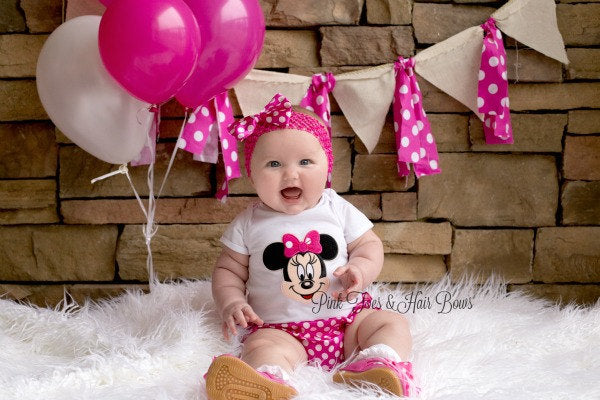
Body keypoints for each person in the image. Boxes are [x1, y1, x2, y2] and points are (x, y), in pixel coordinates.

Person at [204, 94, 416, 399]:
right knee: (262, 347)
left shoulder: (336, 208)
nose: (291, 173)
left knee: (390, 322)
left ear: (326, 166)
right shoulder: (248, 222)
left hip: (348, 321)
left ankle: (378, 363)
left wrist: (360, 269)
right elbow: (227, 270)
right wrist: (231, 303)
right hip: (279, 329)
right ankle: (267, 380)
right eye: (274, 164)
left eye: (305, 162)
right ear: (251, 172)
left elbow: (369, 245)